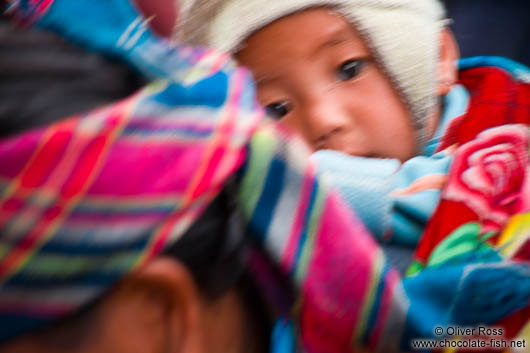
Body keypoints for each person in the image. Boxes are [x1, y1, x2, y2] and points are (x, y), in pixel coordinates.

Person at [1, 1, 529, 352]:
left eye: (349, 68)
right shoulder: (286, 253)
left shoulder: (507, 133)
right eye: (275, 107)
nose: (323, 121)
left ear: (436, 58)